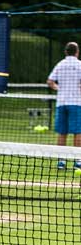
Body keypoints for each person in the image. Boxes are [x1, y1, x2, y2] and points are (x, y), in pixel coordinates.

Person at [47, 42, 81, 170]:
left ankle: (61, 161)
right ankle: (78, 161)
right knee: (78, 132)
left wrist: (59, 88)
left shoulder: (60, 64)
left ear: (66, 52)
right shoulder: (80, 65)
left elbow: (50, 81)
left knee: (62, 132)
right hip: (76, 103)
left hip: (61, 102)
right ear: (77, 52)